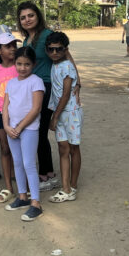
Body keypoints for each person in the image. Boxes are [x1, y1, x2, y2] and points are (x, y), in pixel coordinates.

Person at [18, 1, 80, 191]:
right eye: (23, 17)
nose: (27, 20)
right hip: (33, 88)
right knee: (35, 131)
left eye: (31, 15)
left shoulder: (46, 35)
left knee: (40, 132)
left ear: (38, 16)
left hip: (46, 87)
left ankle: (48, 174)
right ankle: (45, 172)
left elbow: (67, 55)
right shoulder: (27, 39)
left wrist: (78, 82)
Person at [2, 47, 45, 222]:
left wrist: (19, 127)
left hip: (28, 129)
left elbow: (36, 108)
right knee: (17, 163)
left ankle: (36, 203)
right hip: (11, 130)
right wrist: (6, 126)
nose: (22, 67)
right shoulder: (11, 83)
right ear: (14, 64)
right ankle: (22, 196)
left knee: (28, 164)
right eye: (19, 64)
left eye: (27, 64)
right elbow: (5, 106)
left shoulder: (36, 81)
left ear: (33, 65)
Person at [46, 31, 81, 204]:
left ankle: (71, 186)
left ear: (65, 50)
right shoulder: (55, 64)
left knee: (73, 148)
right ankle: (66, 187)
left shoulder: (67, 67)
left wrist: (55, 116)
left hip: (69, 112)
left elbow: (66, 95)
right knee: (63, 148)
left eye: (58, 50)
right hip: (60, 113)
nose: (54, 53)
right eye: (51, 49)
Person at [0, 32, 18, 203]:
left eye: (14, 45)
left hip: (18, 113)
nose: (13, 49)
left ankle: (23, 185)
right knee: (5, 149)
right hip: (0, 113)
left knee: (18, 149)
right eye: (8, 46)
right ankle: (9, 186)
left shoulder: (21, 66)